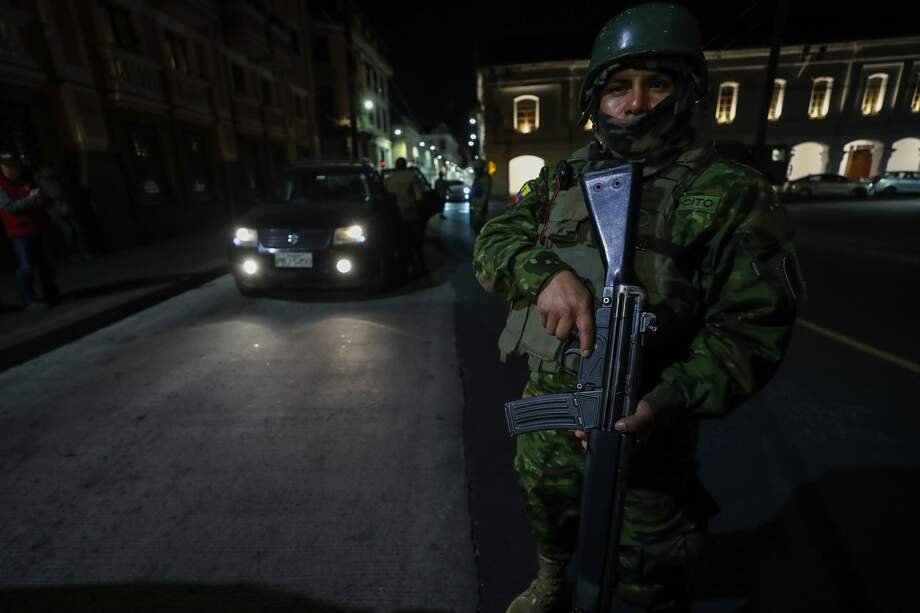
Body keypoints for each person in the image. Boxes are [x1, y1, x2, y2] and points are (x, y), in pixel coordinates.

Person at [473, 3, 803, 612]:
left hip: (646, 413)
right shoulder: (560, 177)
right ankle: (551, 578)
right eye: (618, 88)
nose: (635, 103)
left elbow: (752, 328)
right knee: (545, 500)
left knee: (648, 556)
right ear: (596, 99)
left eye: (657, 84)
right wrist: (545, 272)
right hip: (551, 395)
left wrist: (665, 400)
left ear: (687, 91)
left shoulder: (731, 190)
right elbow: (495, 240)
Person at [0, 151, 61, 309]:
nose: (11, 170)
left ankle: (52, 296)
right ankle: (29, 299)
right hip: (19, 232)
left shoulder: (26, 181)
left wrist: (42, 199)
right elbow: (9, 208)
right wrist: (32, 199)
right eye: (6, 167)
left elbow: (43, 199)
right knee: (26, 266)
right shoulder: (2, 186)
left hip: (37, 227)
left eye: (13, 166)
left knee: (45, 264)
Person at [384, 157, 427, 274]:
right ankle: (421, 267)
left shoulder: (389, 179)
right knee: (416, 242)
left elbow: (386, 197)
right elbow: (419, 197)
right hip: (411, 213)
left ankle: (404, 267)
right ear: (405, 165)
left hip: (396, 215)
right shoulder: (412, 176)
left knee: (401, 243)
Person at [469, 158, 492, 234]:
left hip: (479, 207)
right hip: (475, 205)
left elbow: (485, 194)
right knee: (475, 226)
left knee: (478, 227)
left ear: (480, 169)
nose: (475, 170)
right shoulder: (478, 179)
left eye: (476, 169)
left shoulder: (484, 179)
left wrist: (481, 208)